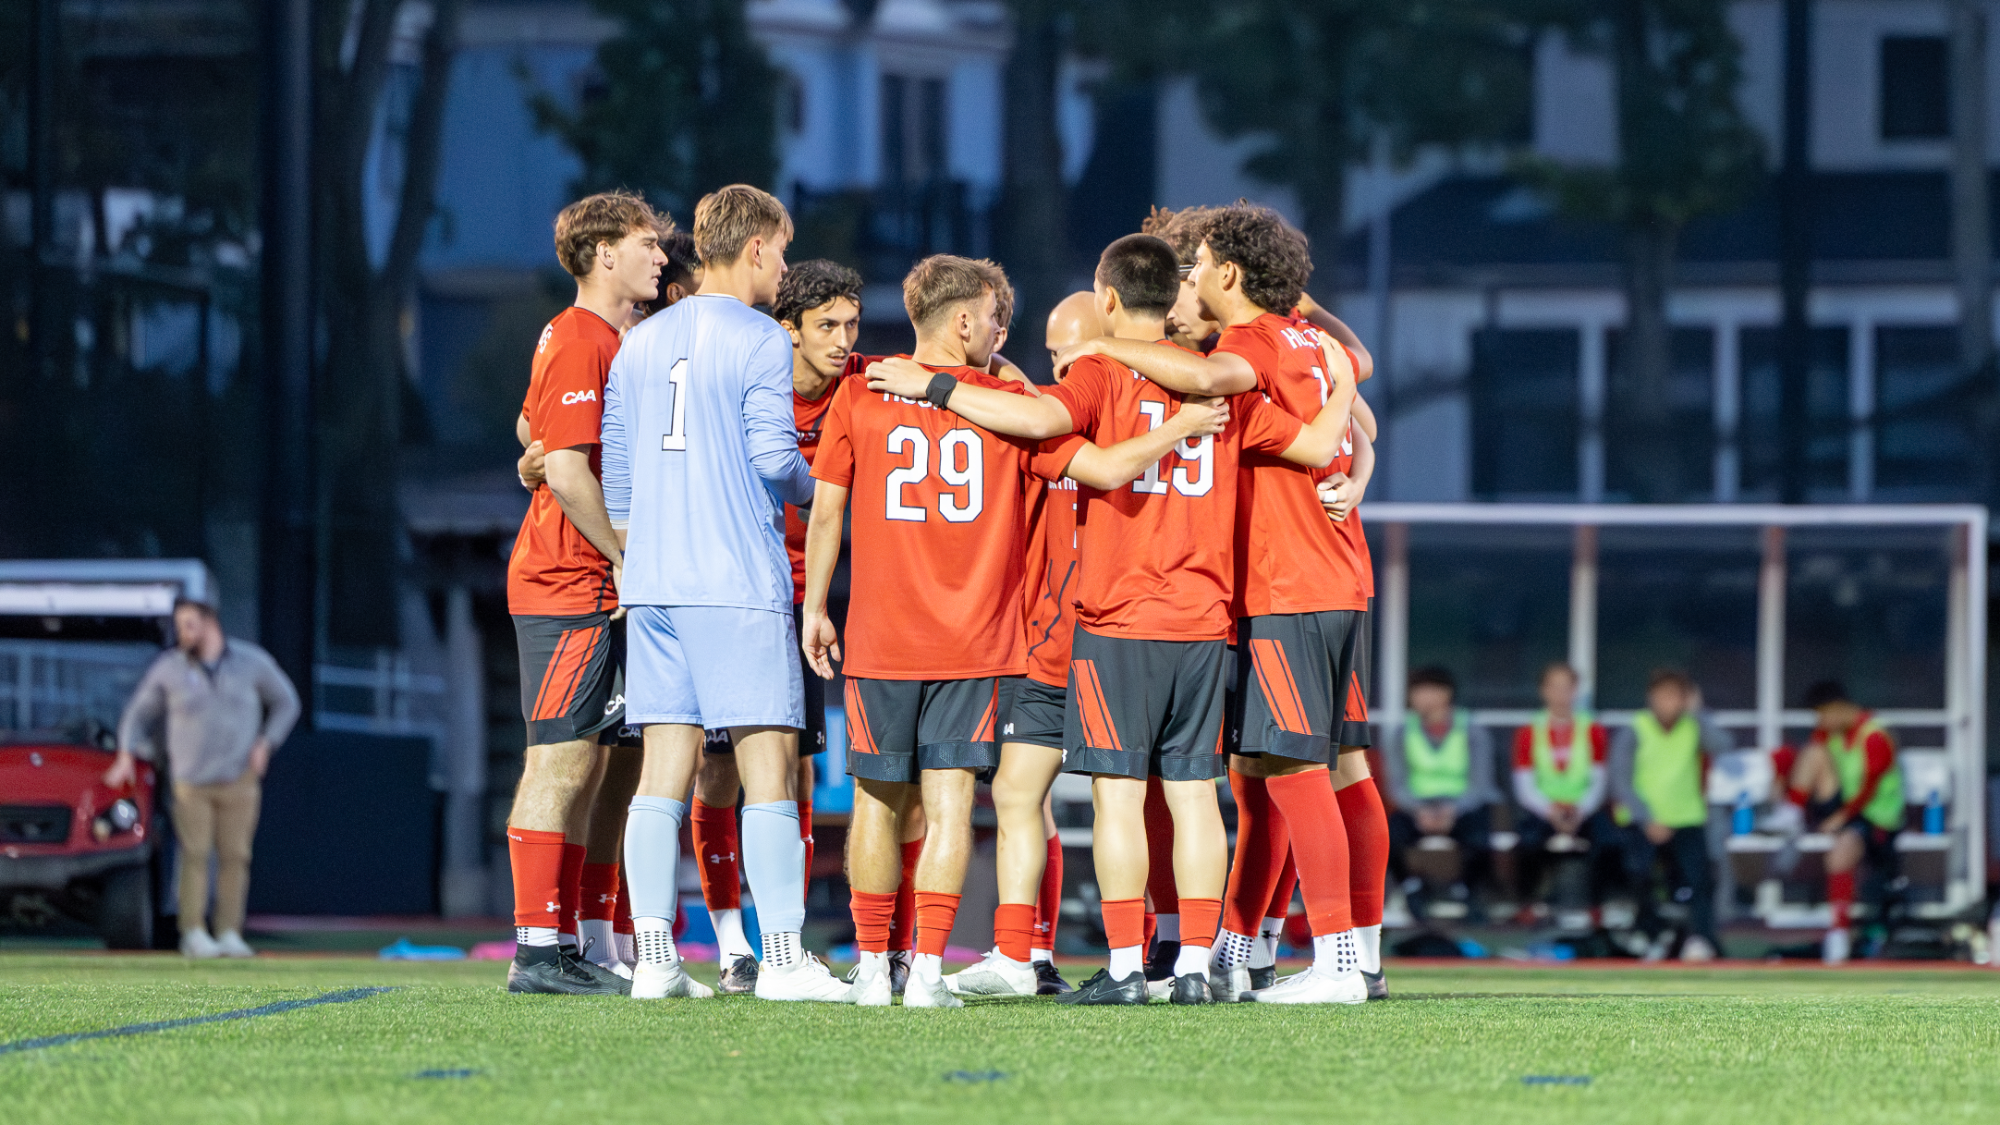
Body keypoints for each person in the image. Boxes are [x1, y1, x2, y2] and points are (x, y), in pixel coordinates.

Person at [865, 232, 1358, 1005]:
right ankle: (1195, 967)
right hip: (1205, 619)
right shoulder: (1222, 386)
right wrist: (1340, 391)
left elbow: (1034, 423)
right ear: (1176, 300)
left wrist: (933, 389)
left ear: (1109, 300)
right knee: (1197, 794)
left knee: (1119, 796)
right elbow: (1320, 442)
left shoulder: (1098, 371)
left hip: (1120, 616)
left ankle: (1128, 966)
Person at [1048, 207, 1372, 1005]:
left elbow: (1201, 383)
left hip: (1273, 584)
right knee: (1259, 776)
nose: (1189, 278)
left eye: (1198, 265)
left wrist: (1098, 348)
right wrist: (1353, 453)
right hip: (1303, 583)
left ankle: (1335, 959)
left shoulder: (1242, 349)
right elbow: (1349, 417)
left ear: (1227, 274)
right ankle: (1241, 948)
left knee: (1290, 772)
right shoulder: (1305, 341)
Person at [601, 183, 849, 1002]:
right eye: (780, 250)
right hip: (734, 578)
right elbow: (777, 457)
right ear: (752, 248)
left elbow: (622, 472)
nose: (783, 266)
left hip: (655, 583)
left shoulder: (640, 340)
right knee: (769, 761)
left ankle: (655, 961)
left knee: (661, 771)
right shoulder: (757, 336)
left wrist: (641, 558)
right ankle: (781, 958)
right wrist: (830, 492)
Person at [515, 217, 696, 982]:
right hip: (571, 583)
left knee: (603, 765)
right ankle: (535, 948)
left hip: (599, 585)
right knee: (556, 764)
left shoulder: (597, 337)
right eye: (646, 243)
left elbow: (532, 426)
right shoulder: (585, 335)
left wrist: (540, 451)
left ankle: (580, 937)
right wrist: (624, 557)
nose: (660, 255)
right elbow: (561, 464)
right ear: (602, 254)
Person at [680, 259, 863, 994]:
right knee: (714, 770)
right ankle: (731, 944)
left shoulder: (865, 381)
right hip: (737, 592)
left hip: (803, 600)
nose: (845, 341)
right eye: (828, 326)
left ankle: (785, 940)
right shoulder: (752, 380)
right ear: (787, 330)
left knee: (797, 768)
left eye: (852, 325)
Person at [107, 596, 299, 960]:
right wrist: (125, 753)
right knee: (194, 855)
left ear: (210, 623)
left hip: (239, 778)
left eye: (189, 625)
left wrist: (266, 743)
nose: (184, 634)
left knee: (235, 856)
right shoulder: (170, 668)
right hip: (190, 781)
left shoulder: (251, 662)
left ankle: (229, 932)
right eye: (180, 627)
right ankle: (193, 931)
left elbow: (287, 701)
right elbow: (138, 712)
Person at [1608, 669, 1730, 962]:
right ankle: (1647, 936)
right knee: (1640, 877)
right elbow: (1620, 780)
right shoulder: (1635, 729)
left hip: (1686, 819)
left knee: (1699, 881)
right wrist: (1647, 818)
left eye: (1676, 696)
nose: (1668, 702)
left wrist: (1698, 713)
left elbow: (1723, 745)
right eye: (1663, 695)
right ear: (1651, 698)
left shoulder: (1694, 726)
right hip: (1643, 823)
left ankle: (1701, 938)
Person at [1783, 679, 1904, 966]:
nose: (1820, 722)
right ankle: (1790, 817)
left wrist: (1841, 817)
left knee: (1841, 851)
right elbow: (1812, 759)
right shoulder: (1832, 736)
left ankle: (1839, 931)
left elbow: (1869, 787)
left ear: (1837, 709)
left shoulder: (1875, 736)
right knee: (1813, 753)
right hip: (1849, 812)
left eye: (1822, 714)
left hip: (1877, 819)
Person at [1380, 665, 1500, 911]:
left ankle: (1470, 893)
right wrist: (1419, 810)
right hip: (1417, 807)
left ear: (1445, 694)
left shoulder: (1473, 731)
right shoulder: (1401, 733)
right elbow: (1397, 784)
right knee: (1386, 837)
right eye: (1416, 692)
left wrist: (1452, 810)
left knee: (1482, 835)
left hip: (1462, 807)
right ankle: (1411, 888)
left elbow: (1481, 784)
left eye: (1427, 691)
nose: (1420, 698)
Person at [1511, 662, 1611, 904]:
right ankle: (1529, 904)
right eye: (1554, 688)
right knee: (1526, 843)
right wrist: (1550, 811)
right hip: (1543, 810)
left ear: (1576, 691)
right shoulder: (1528, 731)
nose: (1561, 695)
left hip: (1582, 809)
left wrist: (1580, 810)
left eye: (1567, 688)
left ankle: (1596, 907)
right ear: (1543, 691)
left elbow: (1599, 781)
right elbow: (1523, 785)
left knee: (1609, 842)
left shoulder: (1593, 730)